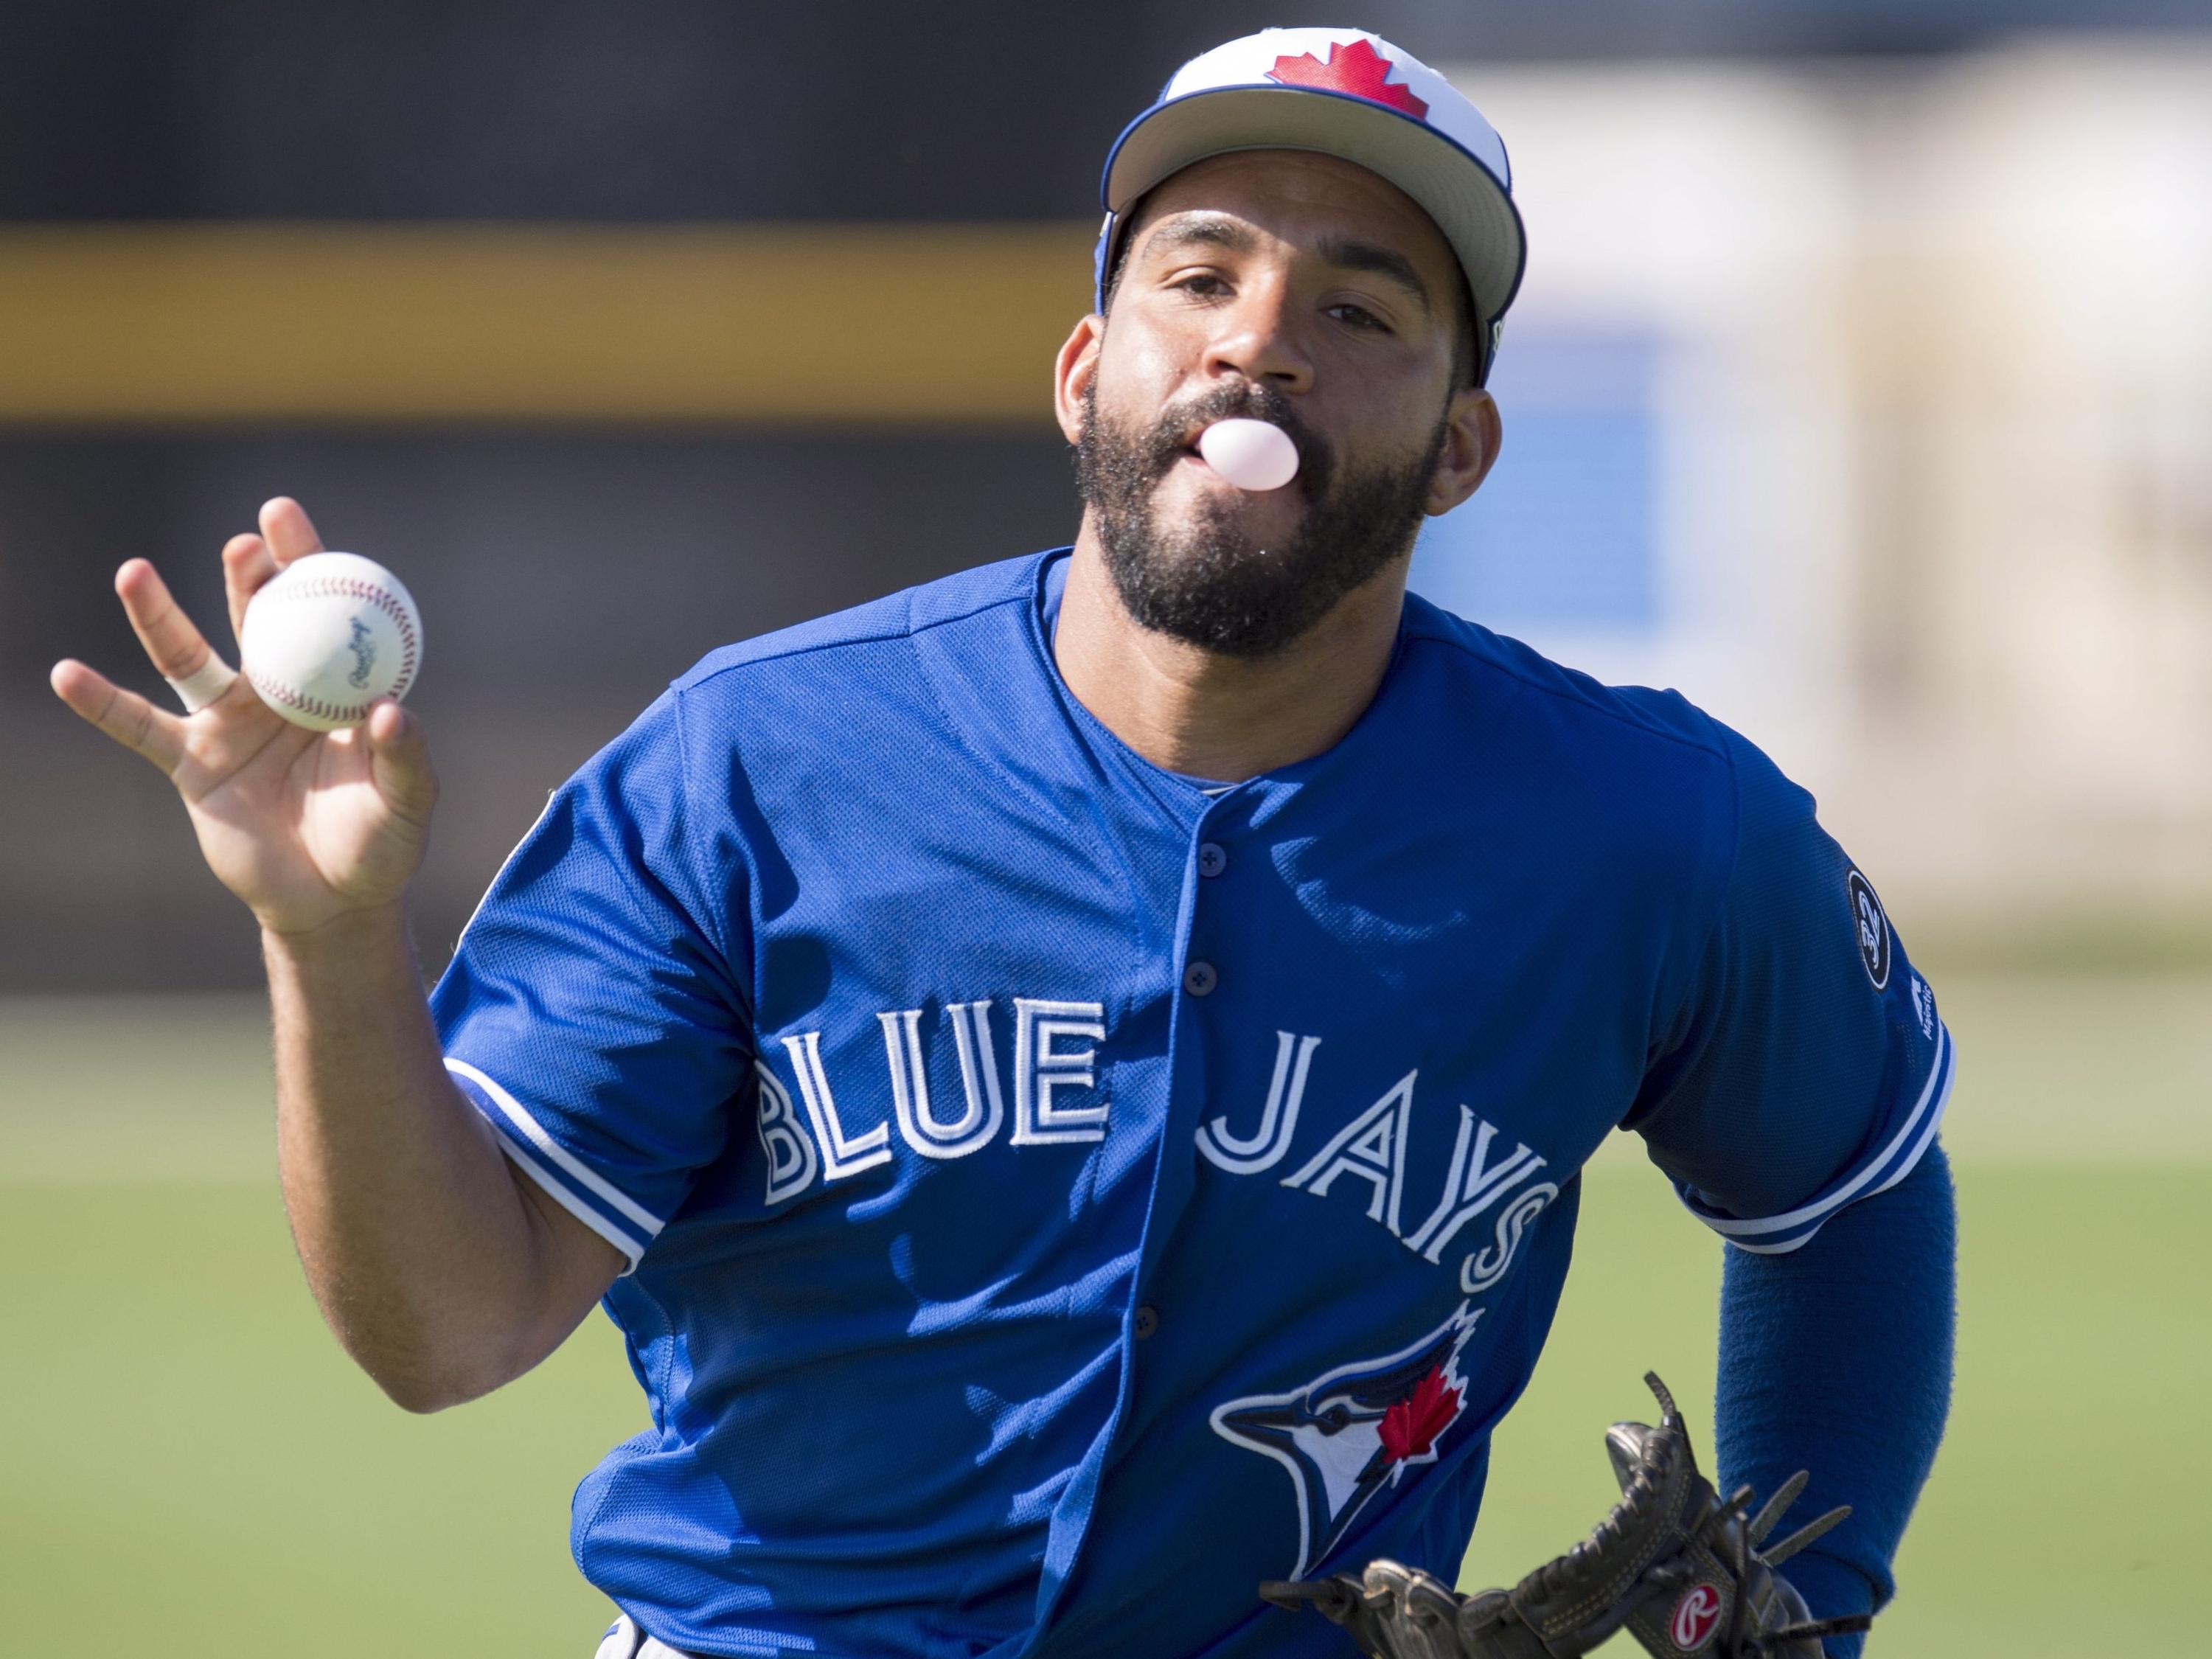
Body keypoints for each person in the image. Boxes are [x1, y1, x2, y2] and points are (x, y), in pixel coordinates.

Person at [50, 27, 1953, 1659]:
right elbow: (447, 1326)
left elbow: (1847, 1180)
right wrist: (329, 942)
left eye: (1360, 308)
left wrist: (1813, 1598)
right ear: (1081, 372)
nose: (1261, 345)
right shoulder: (756, 762)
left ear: (1460, 446)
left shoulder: (1647, 826)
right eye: (1198, 278)